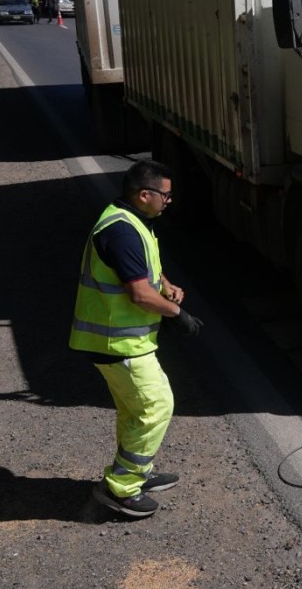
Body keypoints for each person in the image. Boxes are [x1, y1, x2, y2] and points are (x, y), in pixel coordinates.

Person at [72, 160, 203, 518]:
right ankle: (121, 489)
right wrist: (178, 314)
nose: (169, 200)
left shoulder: (130, 220)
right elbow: (139, 295)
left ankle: (136, 474)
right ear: (145, 195)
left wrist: (167, 284)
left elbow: (143, 271)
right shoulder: (121, 231)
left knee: (135, 410)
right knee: (156, 405)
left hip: (123, 341)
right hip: (116, 343)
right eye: (166, 194)